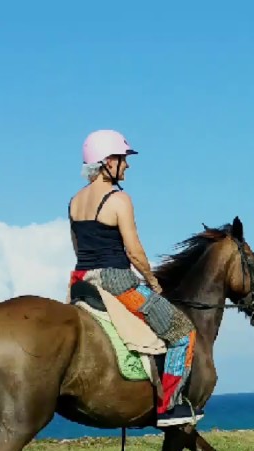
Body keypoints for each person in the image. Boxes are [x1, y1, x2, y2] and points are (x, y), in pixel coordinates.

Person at [68, 129, 202, 427]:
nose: (126, 165)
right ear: (106, 162)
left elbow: (78, 248)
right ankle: (169, 407)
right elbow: (134, 252)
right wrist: (152, 282)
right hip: (117, 282)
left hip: (81, 282)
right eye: (122, 159)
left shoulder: (74, 202)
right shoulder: (119, 199)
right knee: (182, 332)